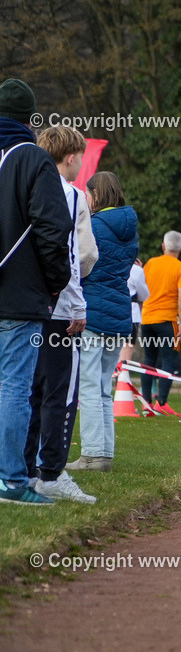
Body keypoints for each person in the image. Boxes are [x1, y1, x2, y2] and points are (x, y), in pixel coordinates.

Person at [0, 86, 74, 507]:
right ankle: (11, 481)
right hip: (19, 295)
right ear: (30, 120)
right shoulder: (33, 158)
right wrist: (55, 281)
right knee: (14, 386)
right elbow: (53, 228)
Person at [23, 127, 95, 503]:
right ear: (71, 157)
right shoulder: (70, 193)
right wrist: (77, 304)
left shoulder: (22, 184)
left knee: (28, 391)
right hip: (61, 307)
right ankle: (51, 471)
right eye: (80, 157)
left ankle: (25, 469)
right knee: (61, 393)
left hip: (26, 305)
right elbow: (75, 255)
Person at [67, 171, 138, 472]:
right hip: (119, 312)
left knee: (88, 386)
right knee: (103, 387)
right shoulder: (130, 229)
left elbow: (82, 264)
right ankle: (104, 454)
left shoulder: (93, 226)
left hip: (94, 312)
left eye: (88, 193)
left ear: (96, 194)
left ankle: (92, 454)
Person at [140, 231, 181, 416]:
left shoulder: (151, 263)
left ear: (163, 246)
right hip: (168, 320)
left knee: (149, 359)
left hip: (147, 318)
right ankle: (161, 402)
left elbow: (141, 287)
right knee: (169, 360)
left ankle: (146, 402)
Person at [118, 259, 149, 364]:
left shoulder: (106, 264)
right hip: (131, 313)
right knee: (126, 353)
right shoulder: (135, 270)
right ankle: (123, 372)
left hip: (109, 311)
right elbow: (144, 295)